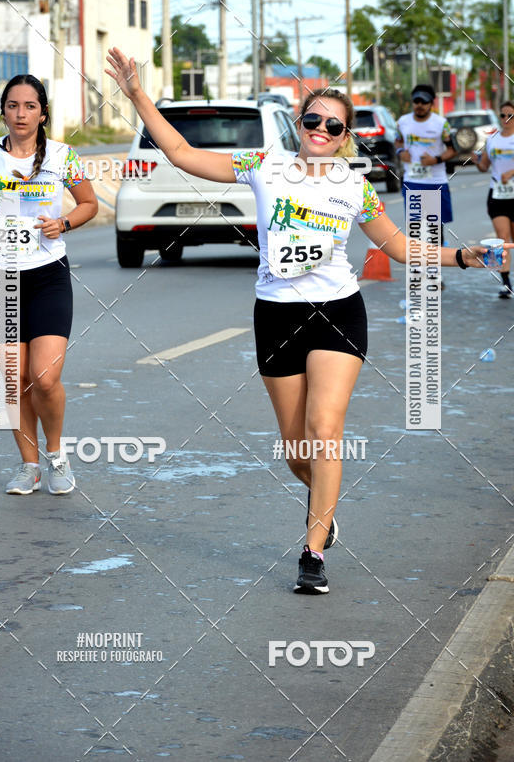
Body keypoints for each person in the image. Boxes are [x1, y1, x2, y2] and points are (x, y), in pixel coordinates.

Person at [105, 46, 508, 595]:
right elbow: (180, 153)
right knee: (298, 451)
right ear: (299, 124)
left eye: (333, 125)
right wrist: (136, 94)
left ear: (345, 137)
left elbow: (398, 247)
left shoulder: (356, 186)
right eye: (313, 120)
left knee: (324, 431)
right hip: (275, 315)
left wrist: (463, 257)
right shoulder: (263, 166)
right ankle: (325, 509)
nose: (321, 130)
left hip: (338, 312)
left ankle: (312, 552)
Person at [0, 74, 98, 495]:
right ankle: (29, 465)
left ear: (43, 114)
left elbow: (89, 204)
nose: (21, 114)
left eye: (30, 106)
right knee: (14, 381)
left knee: (44, 377)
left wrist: (63, 222)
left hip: (48, 274)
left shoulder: (63, 156)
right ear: (4, 111)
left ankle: (57, 455)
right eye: (13, 105)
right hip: (0, 276)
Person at [395, 84, 456, 254]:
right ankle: (420, 266)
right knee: (416, 230)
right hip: (412, 181)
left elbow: (453, 150)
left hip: (435, 182)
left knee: (434, 231)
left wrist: (435, 160)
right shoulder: (403, 122)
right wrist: (400, 152)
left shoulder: (441, 124)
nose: (420, 105)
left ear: (431, 103)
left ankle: (435, 265)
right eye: (416, 101)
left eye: (424, 102)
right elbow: (398, 141)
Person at [472, 100, 514, 298]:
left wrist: (511, 172)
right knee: (502, 238)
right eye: (503, 115)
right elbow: (484, 167)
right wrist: (477, 162)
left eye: (510, 115)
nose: (506, 119)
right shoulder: (493, 139)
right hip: (497, 194)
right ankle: (505, 283)